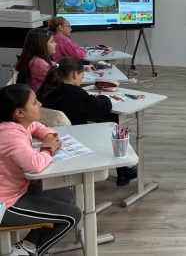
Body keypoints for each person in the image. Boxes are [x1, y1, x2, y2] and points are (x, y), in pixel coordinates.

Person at [0, 83, 82, 256]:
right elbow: (35, 165)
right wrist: (47, 148)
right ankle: (33, 252)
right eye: (34, 102)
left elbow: (36, 126)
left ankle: (26, 246)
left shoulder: (17, 124)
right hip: (5, 204)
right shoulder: (10, 136)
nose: (40, 104)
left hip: (18, 190)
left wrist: (48, 135)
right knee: (72, 215)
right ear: (19, 112)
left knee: (66, 195)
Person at [37, 57, 137, 186]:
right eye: (82, 76)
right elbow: (103, 107)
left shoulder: (44, 89)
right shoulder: (75, 93)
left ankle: (123, 171)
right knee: (111, 125)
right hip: (77, 137)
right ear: (75, 74)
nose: (81, 79)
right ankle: (122, 171)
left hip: (51, 136)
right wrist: (103, 96)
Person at [16, 28, 57, 92]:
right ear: (41, 45)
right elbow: (57, 78)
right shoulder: (37, 63)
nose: (55, 44)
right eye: (52, 41)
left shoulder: (34, 59)